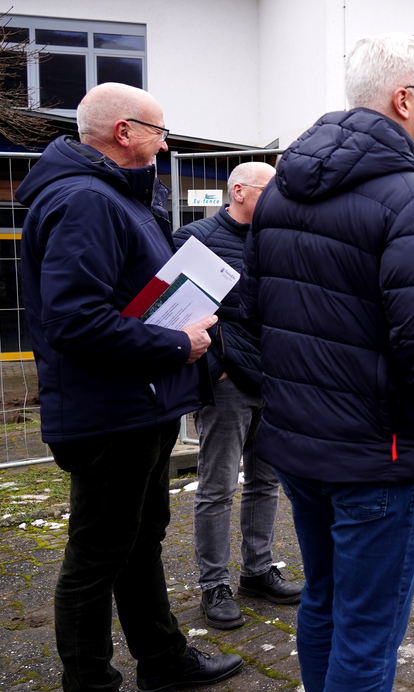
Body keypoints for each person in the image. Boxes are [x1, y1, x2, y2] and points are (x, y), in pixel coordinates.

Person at [240, 34, 414, 692]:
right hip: (380, 456)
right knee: (368, 633)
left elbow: (251, 318)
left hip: (299, 448)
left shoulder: (280, 192)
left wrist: (289, 404)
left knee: (323, 598)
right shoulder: (410, 202)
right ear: (402, 99)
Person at [17, 82, 243, 692]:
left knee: (139, 540)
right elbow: (73, 321)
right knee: (96, 558)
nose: (166, 141)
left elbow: (121, 298)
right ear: (123, 132)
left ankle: (163, 657)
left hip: (138, 406)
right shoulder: (87, 201)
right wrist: (176, 344)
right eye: (159, 130)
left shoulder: (117, 198)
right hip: (107, 414)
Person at [174, 162, 303, 629]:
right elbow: (179, 312)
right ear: (241, 191)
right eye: (270, 189)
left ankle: (257, 569)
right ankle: (214, 584)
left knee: (266, 482)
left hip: (275, 379)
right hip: (227, 382)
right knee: (217, 487)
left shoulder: (279, 237)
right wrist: (215, 370)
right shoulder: (197, 238)